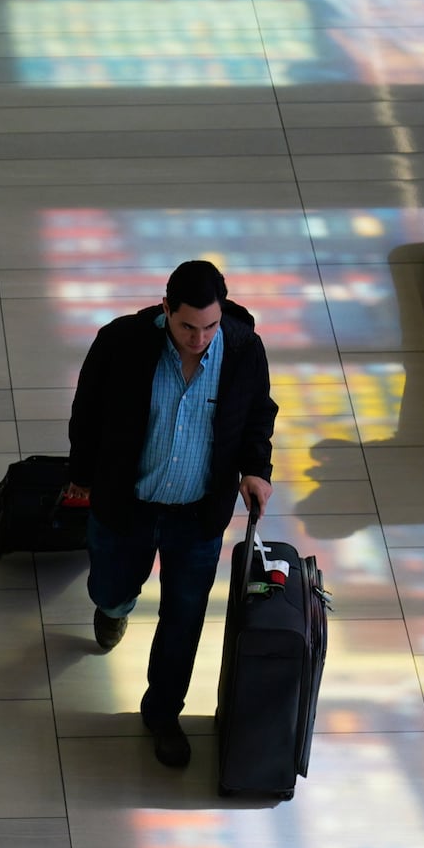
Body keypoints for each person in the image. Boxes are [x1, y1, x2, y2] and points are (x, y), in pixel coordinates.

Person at [63, 258, 278, 768]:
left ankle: (163, 713)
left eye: (209, 326)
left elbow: (257, 413)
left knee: (183, 619)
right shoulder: (122, 342)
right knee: (111, 589)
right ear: (165, 309)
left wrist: (256, 468)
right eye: (187, 326)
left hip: (197, 516)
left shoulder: (243, 349)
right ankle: (112, 609)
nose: (199, 338)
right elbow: (88, 408)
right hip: (128, 505)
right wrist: (82, 472)